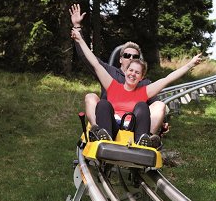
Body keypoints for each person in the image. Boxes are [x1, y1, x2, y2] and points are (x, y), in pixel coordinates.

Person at [70, 28, 202, 146]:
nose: (133, 74)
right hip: (113, 126)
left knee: (142, 106)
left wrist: (190, 65)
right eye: (131, 70)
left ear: (141, 77)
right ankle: (103, 136)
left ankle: (143, 140)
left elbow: (167, 79)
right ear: (126, 71)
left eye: (137, 72)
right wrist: (80, 39)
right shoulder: (112, 85)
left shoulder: (144, 90)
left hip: (132, 128)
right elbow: (95, 63)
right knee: (104, 104)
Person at [69, 4, 166, 139]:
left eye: (135, 57)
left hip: (132, 123)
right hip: (107, 116)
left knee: (159, 105)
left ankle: (146, 139)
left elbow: (154, 105)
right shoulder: (109, 72)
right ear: (120, 59)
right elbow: (88, 58)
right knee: (91, 97)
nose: (131, 58)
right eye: (127, 56)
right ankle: (97, 131)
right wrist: (77, 28)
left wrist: (163, 122)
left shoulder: (144, 83)